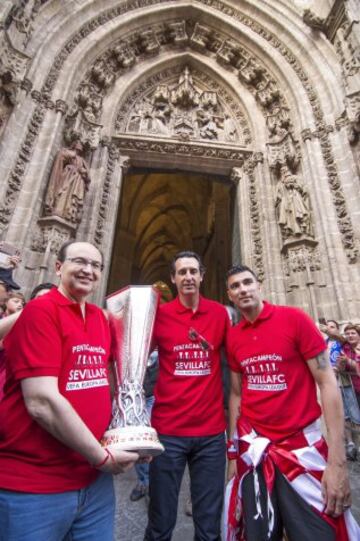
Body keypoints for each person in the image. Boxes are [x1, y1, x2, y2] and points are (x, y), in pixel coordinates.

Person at [0, 240, 139, 541]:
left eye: (96, 265)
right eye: (79, 262)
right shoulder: (40, 312)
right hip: (37, 484)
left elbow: (106, 384)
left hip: (93, 483)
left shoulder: (99, 320)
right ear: (59, 267)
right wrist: (101, 458)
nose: (88, 270)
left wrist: (132, 435)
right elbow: (42, 403)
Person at [224, 264, 360, 541]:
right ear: (229, 295)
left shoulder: (295, 319)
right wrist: (232, 455)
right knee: (259, 534)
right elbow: (237, 393)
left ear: (259, 285)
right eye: (235, 286)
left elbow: (327, 383)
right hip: (254, 451)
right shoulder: (234, 336)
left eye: (248, 282)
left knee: (318, 532)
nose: (243, 289)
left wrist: (337, 463)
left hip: (302, 449)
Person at [144, 251, 230, 541]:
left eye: (193, 271)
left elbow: (237, 361)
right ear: (173, 278)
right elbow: (135, 358)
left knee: (208, 525)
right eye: (182, 272)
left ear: (202, 276)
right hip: (168, 432)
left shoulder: (220, 314)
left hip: (211, 434)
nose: (188, 277)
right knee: (160, 521)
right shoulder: (160, 316)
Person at [44, 140, 91, 224]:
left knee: (71, 198)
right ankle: (58, 209)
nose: (80, 146)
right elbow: (61, 157)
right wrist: (72, 155)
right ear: (74, 144)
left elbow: (88, 176)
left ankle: (67, 214)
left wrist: (83, 172)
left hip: (77, 181)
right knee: (62, 192)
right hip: (67, 176)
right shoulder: (67, 152)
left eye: (81, 145)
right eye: (78, 143)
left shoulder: (82, 160)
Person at [337, 323, 360, 460]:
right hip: (352, 388)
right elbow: (341, 368)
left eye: (353, 333)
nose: (350, 336)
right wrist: (340, 365)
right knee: (354, 417)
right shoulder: (344, 348)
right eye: (348, 334)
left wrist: (349, 362)